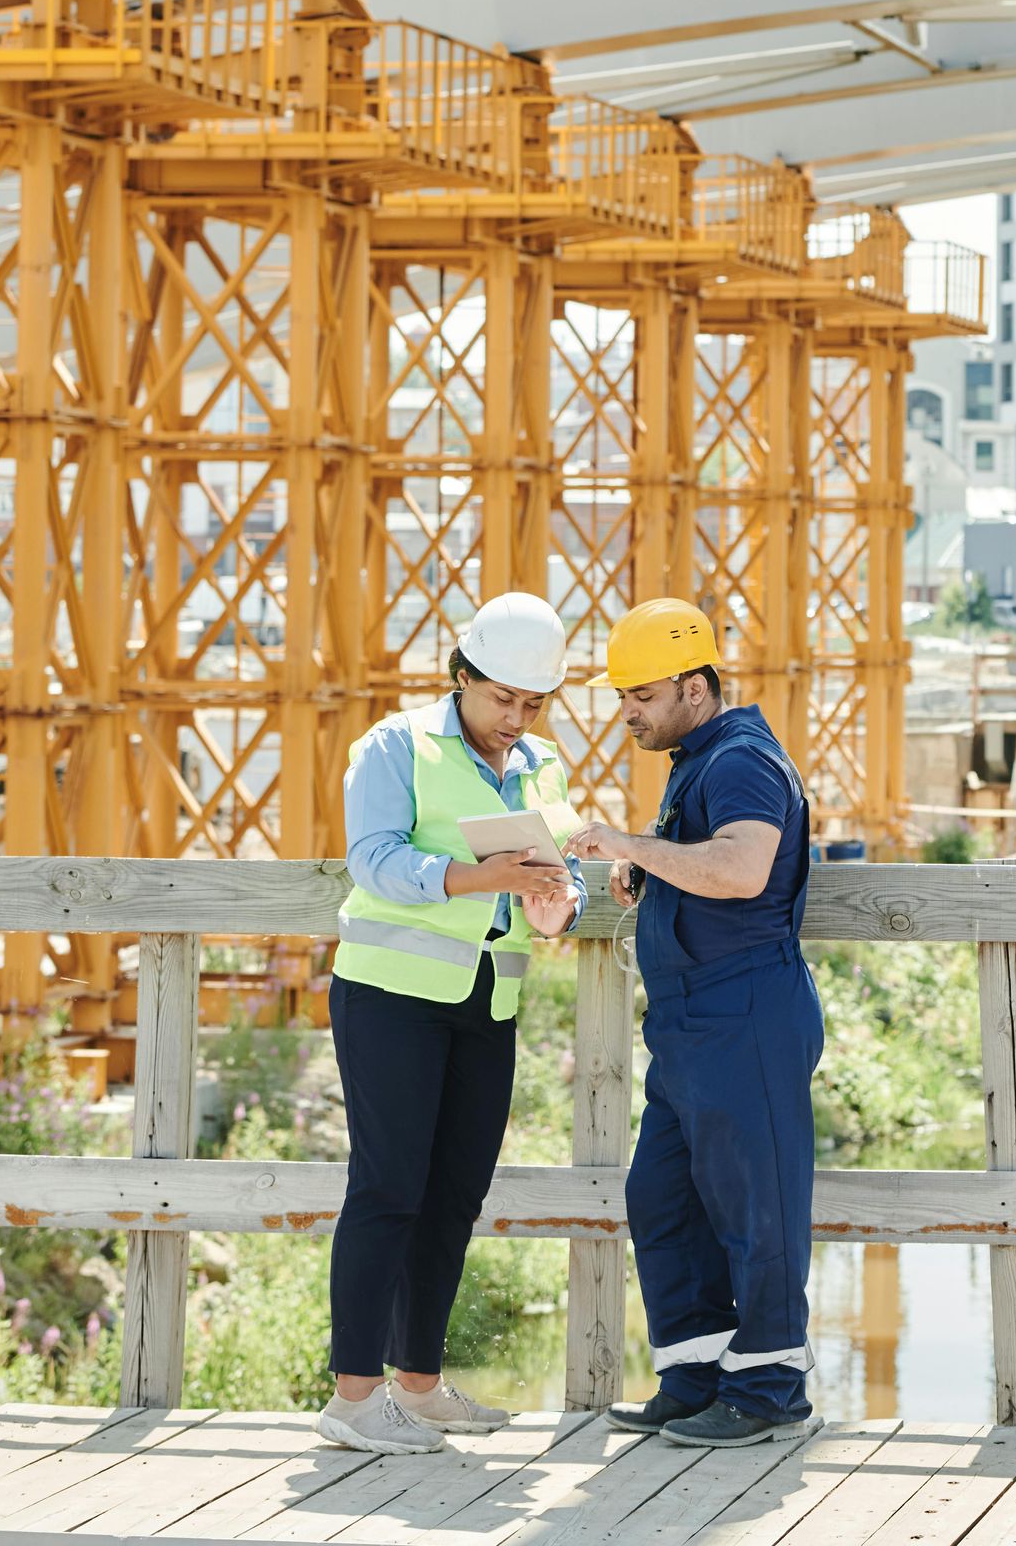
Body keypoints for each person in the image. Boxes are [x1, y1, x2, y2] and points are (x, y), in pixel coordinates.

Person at [317, 592, 588, 1454]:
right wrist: (484, 875)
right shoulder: (395, 746)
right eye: (502, 698)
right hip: (391, 995)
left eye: (533, 704)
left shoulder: (543, 763)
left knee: (452, 1198)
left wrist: (557, 903)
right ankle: (353, 1401)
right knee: (388, 1188)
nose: (516, 718)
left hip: (487, 1000)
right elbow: (376, 862)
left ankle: (420, 1386)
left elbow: (558, 881)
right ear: (462, 676)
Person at [570, 598, 821, 1449]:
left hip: (744, 1011)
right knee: (665, 1197)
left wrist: (633, 846)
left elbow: (745, 869)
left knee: (759, 1206)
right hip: (690, 1025)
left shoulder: (742, 760)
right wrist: (652, 871)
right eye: (622, 696)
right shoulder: (697, 758)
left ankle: (771, 1391)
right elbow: (703, 865)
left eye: (640, 694)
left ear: (695, 685)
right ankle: (696, 1376)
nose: (627, 711)